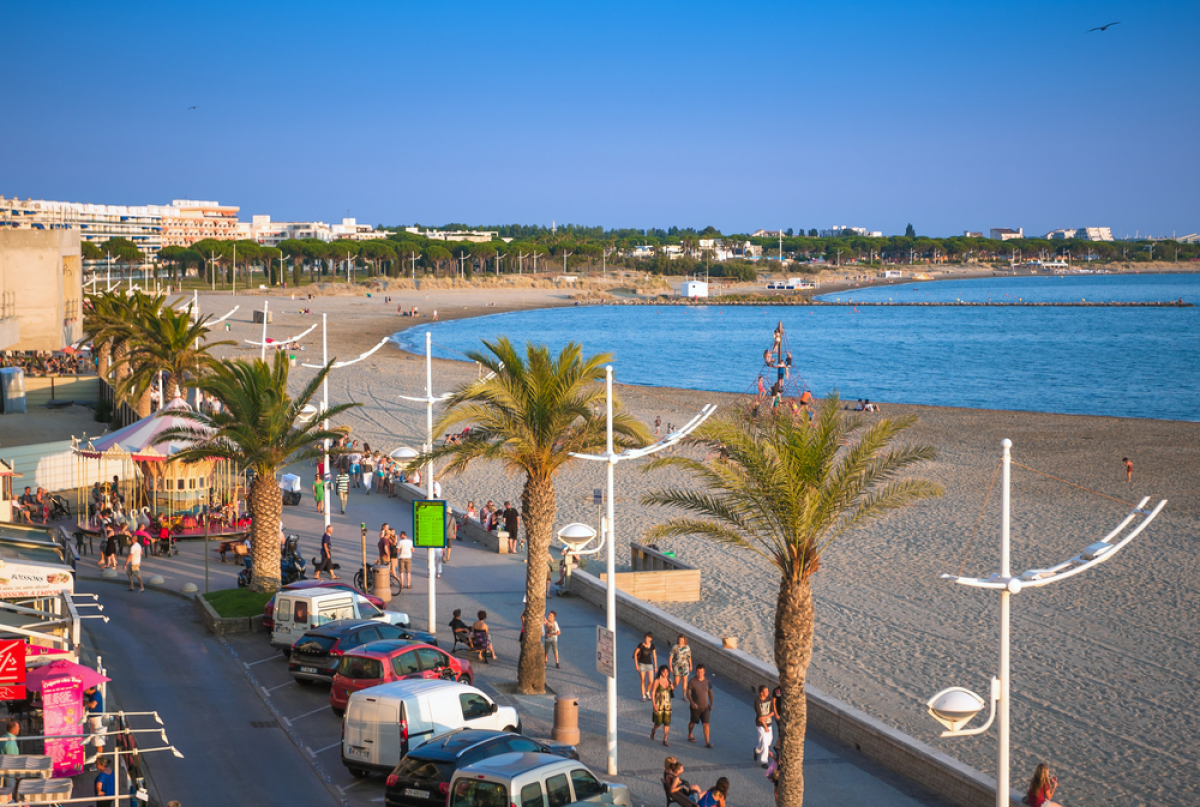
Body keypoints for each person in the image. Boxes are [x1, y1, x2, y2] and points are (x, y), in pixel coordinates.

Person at [686, 664, 714, 747]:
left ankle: (707, 742)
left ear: (704, 672)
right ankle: (690, 734)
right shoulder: (692, 681)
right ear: (696, 672)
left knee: (706, 724)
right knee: (692, 722)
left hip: (705, 707)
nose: (699, 674)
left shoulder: (708, 681)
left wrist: (711, 704)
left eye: (701, 672)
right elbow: (688, 693)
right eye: (698, 672)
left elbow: (710, 693)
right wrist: (692, 702)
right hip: (695, 707)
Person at [753, 685, 776, 767]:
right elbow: (759, 717)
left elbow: (773, 712)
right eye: (766, 691)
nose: (768, 692)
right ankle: (764, 761)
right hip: (760, 725)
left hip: (769, 723)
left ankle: (756, 750)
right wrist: (765, 726)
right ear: (762, 693)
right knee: (765, 743)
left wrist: (766, 717)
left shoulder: (769, 699)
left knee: (767, 742)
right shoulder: (757, 702)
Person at [650, 665, 673, 746]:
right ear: (661, 672)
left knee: (667, 723)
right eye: (664, 672)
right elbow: (653, 692)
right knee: (658, 724)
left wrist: (672, 687)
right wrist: (654, 704)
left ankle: (665, 740)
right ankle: (653, 730)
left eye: (667, 672)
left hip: (667, 705)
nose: (665, 674)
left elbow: (671, 692)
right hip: (659, 705)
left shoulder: (669, 680)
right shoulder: (657, 681)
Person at [633, 633, 658, 701]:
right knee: (643, 680)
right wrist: (636, 664)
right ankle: (643, 696)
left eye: (648, 638)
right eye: (645, 638)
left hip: (649, 664)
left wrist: (656, 666)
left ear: (651, 639)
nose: (646, 640)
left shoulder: (652, 646)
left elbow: (654, 656)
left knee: (651, 681)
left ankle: (647, 691)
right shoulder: (641, 645)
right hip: (641, 664)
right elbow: (635, 654)